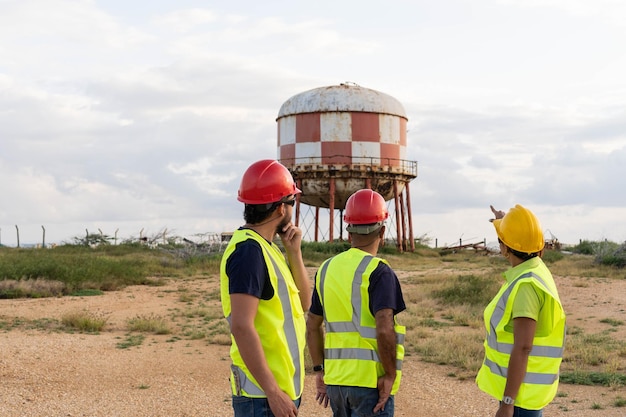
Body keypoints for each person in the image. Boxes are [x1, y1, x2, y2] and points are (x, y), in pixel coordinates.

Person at [220, 159, 311, 417]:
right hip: (262, 398)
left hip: (278, 393)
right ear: (281, 208)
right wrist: (272, 392)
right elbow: (241, 325)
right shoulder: (248, 251)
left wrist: (295, 253)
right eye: (293, 202)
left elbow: (305, 304)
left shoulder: (268, 249)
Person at [306, 189, 406, 417]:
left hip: (336, 382)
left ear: (348, 231)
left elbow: (312, 324)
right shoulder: (380, 272)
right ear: (382, 230)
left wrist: (319, 370)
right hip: (370, 384)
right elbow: (384, 328)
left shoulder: (326, 269)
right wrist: (390, 374)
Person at [476, 204, 567, 417]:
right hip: (526, 392)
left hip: (519, 398)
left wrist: (507, 403)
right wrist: (502, 220)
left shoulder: (526, 285)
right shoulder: (537, 269)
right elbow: (522, 235)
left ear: (505, 249)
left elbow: (523, 347)